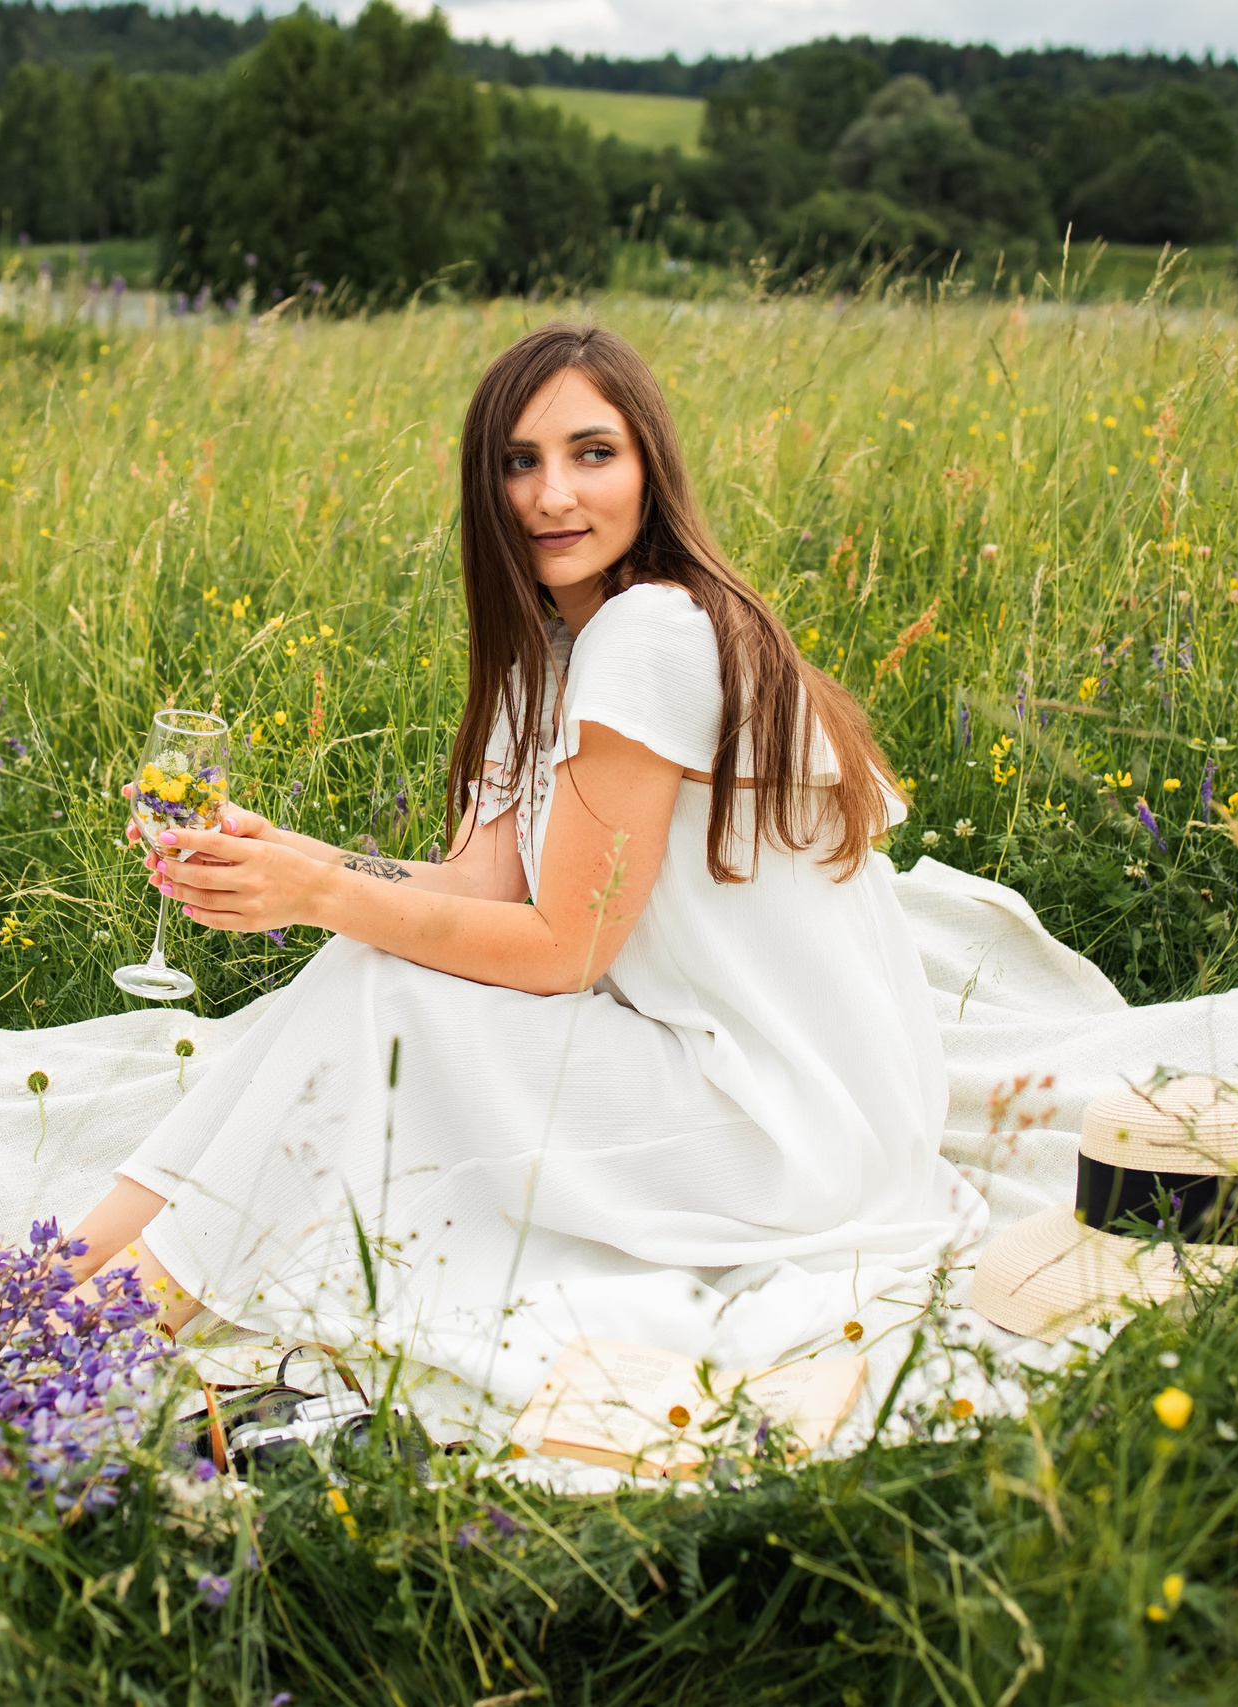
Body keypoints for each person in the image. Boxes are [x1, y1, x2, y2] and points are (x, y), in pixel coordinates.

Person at [54, 324, 987, 1404]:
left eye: (593, 453)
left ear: (650, 470)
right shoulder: (550, 648)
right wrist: (289, 857)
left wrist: (318, 895)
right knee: (366, 967)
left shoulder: (652, 632)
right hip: (709, 1064)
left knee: (384, 993)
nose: (552, 495)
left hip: (786, 1124)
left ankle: (96, 1326)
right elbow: (481, 889)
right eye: (519, 461)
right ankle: (62, 1277)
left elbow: (560, 951)